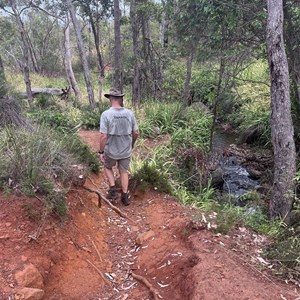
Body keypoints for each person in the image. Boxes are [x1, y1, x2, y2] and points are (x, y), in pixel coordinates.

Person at [99, 88, 138, 206]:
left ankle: (112, 189)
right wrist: (131, 145)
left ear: (110, 99)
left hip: (111, 150)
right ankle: (125, 196)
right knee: (123, 171)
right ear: (120, 99)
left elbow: (103, 136)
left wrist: (101, 151)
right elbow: (136, 132)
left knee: (107, 166)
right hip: (126, 150)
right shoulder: (129, 113)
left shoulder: (106, 114)